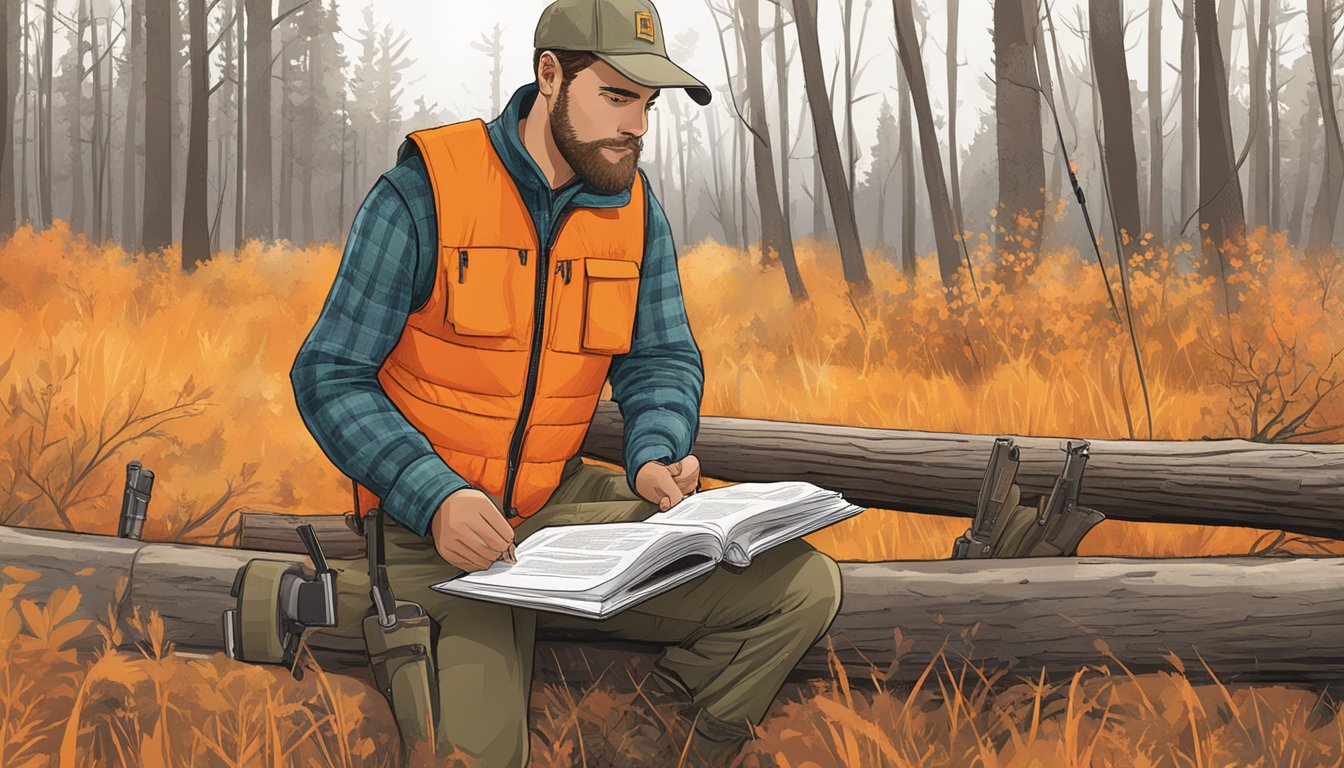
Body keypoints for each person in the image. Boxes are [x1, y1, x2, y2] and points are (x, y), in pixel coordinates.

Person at [290, 1, 843, 765]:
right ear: (549, 75)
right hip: (432, 534)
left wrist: (655, 450)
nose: (638, 126)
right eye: (617, 97)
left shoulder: (636, 210)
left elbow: (661, 358)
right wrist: (433, 494)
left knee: (802, 586)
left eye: (648, 104)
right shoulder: (424, 195)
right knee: (483, 753)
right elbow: (329, 373)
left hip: (558, 513)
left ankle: (661, 740)